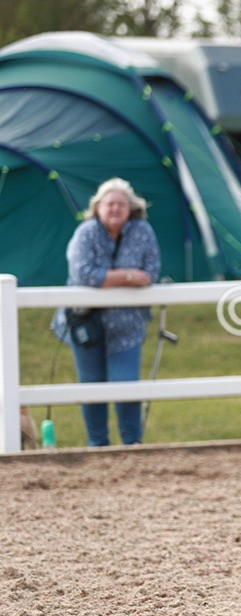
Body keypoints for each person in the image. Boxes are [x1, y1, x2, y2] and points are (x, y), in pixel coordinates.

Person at [52, 177, 160, 447]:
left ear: (131, 208)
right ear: (98, 207)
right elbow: (83, 274)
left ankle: (132, 444)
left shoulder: (143, 231)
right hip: (86, 323)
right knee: (92, 385)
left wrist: (113, 278)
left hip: (127, 326)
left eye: (121, 204)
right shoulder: (86, 232)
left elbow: (151, 273)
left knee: (126, 386)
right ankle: (97, 445)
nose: (115, 209)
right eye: (109, 204)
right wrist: (129, 275)